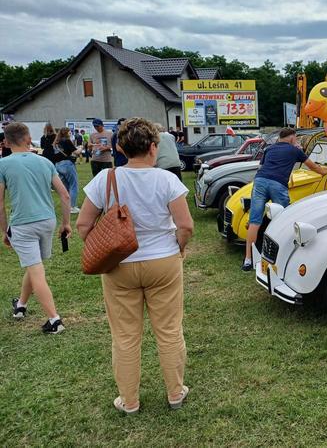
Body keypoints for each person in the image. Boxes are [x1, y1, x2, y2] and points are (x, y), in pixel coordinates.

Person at [76, 118, 194, 414]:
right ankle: (175, 393)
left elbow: (83, 224)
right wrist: (178, 248)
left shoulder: (105, 178)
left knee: (125, 336)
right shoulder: (167, 180)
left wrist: (105, 247)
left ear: (119, 147)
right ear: (154, 147)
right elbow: (185, 226)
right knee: (168, 330)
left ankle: (129, 401)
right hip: (163, 261)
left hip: (120, 265)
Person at [0, 122, 71, 334]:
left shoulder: (3, 164)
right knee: (35, 266)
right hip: (47, 222)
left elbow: (0, 204)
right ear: (28, 137)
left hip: (23, 224)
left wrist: (5, 231)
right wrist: (66, 223)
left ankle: (54, 320)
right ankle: (21, 305)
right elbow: (65, 195)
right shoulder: (44, 162)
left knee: (36, 271)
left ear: (6, 141)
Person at [242, 128, 327, 271]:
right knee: (285, 218)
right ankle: (285, 256)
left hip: (260, 181)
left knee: (254, 222)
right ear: (292, 138)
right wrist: (325, 171)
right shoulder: (295, 151)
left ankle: (248, 260)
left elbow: (261, 167)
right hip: (278, 184)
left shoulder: (269, 149)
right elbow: (314, 167)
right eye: (296, 138)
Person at [53, 127, 80, 214]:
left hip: (57, 165)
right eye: (69, 132)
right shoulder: (67, 141)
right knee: (73, 185)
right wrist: (81, 148)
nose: (70, 133)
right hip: (67, 164)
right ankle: (72, 207)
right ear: (66, 133)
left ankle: (67, 205)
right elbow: (76, 152)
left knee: (66, 187)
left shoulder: (56, 142)